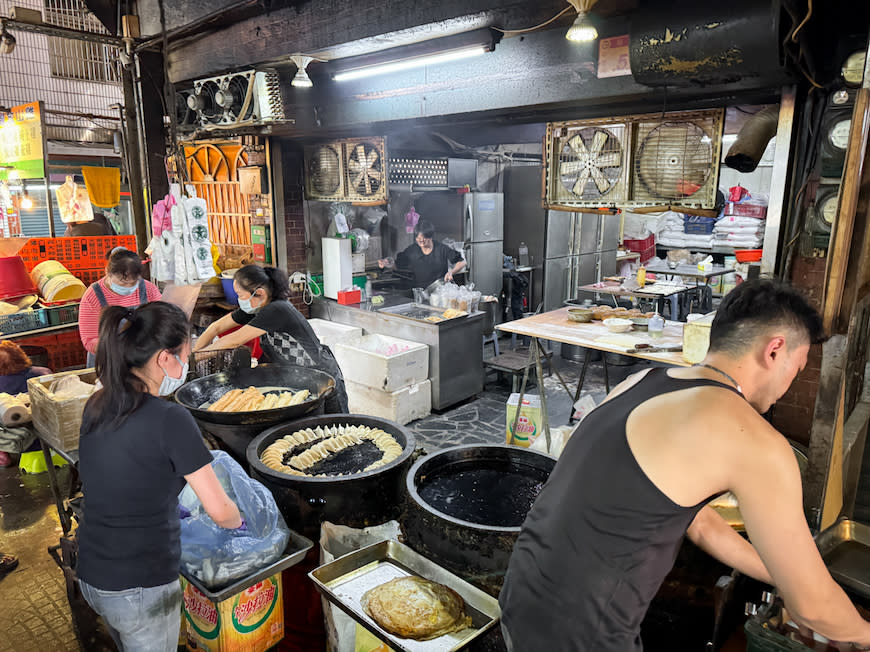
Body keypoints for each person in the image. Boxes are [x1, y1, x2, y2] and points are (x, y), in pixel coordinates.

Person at [499, 279, 870, 651]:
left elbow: (702, 525)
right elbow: (814, 607)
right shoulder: (752, 436)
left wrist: (790, 578)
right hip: (581, 637)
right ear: (774, 350)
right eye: (798, 367)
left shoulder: (640, 381)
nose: (792, 382)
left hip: (520, 602)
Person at [76, 301, 242, 652]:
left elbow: (127, 470)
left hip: (92, 573)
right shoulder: (170, 418)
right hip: (140, 586)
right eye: (185, 355)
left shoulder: (98, 403)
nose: (186, 365)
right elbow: (222, 512)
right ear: (165, 358)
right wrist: (238, 521)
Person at [193, 265, 349, 413]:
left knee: (338, 429)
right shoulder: (257, 307)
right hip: (297, 377)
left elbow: (232, 341)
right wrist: (194, 354)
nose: (238, 299)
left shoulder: (276, 309)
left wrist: (196, 358)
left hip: (321, 376)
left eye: (240, 295)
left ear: (259, 293)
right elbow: (215, 328)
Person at [78, 247, 162, 366]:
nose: (128, 287)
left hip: (143, 359)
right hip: (108, 362)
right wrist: (120, 349)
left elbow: (163, 322)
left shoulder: (149, 289)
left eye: (133, 282)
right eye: (123, 282)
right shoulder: (93, 295)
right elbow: (89, 340)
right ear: (108, 272)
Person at [0, 341, 51, 467]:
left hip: (16, 440)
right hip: (49, 438)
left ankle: (2, 455)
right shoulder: (43, 373)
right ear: (22, 355)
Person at [378, 220, 466, 289]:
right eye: (418, 238)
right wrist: (387, 263)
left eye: (424, 237)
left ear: (431, 236)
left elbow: (462, 262)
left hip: (440, 290)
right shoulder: (412, 250)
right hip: (420, 292)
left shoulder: (441, 249)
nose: (421, 240)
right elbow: (397, 265)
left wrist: (451, 272)